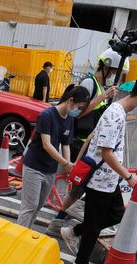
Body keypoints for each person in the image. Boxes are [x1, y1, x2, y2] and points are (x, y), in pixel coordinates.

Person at [60, 78, 137, 264]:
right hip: (99, 179)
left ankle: (73, 232)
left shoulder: (120, 113)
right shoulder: (114, 114)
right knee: (95, 223)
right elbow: (106, 152)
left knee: (115, 215)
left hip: (109, 179)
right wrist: (128, 176)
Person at [45, 49, 124, 237]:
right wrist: (103, 96)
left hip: (90, 143)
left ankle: (70, 219)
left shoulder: (99, 86)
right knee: (78, 186)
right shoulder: (90, 83)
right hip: (80, 142)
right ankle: (59, 221)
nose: (112, 75)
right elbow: (79, 111)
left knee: (86, 187)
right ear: (104, 67)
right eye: (111, 71)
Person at [17, 85, 90, 229]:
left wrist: (68, 164)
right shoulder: (46, 115)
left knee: (38, 206)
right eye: (79, 107)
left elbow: (66, 144)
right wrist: (65, 162)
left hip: (50, 169)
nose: (79, 111)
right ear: (71, 100)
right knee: (30, 205)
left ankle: (25, 233)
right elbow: (47, 144)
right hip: (34, 166)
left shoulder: (69, 118)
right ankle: (18, 236)